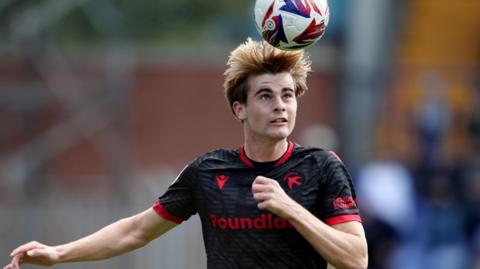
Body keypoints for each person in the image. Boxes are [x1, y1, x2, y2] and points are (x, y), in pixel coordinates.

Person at [4, 38, 368, 269]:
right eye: (265, 96)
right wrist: (59, 254)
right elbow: (136, 231)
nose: (280, 106)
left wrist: (290, 208)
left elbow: (356, 258)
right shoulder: (208, 171)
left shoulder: (322, 167)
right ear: (239, 109)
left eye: (287, 95)